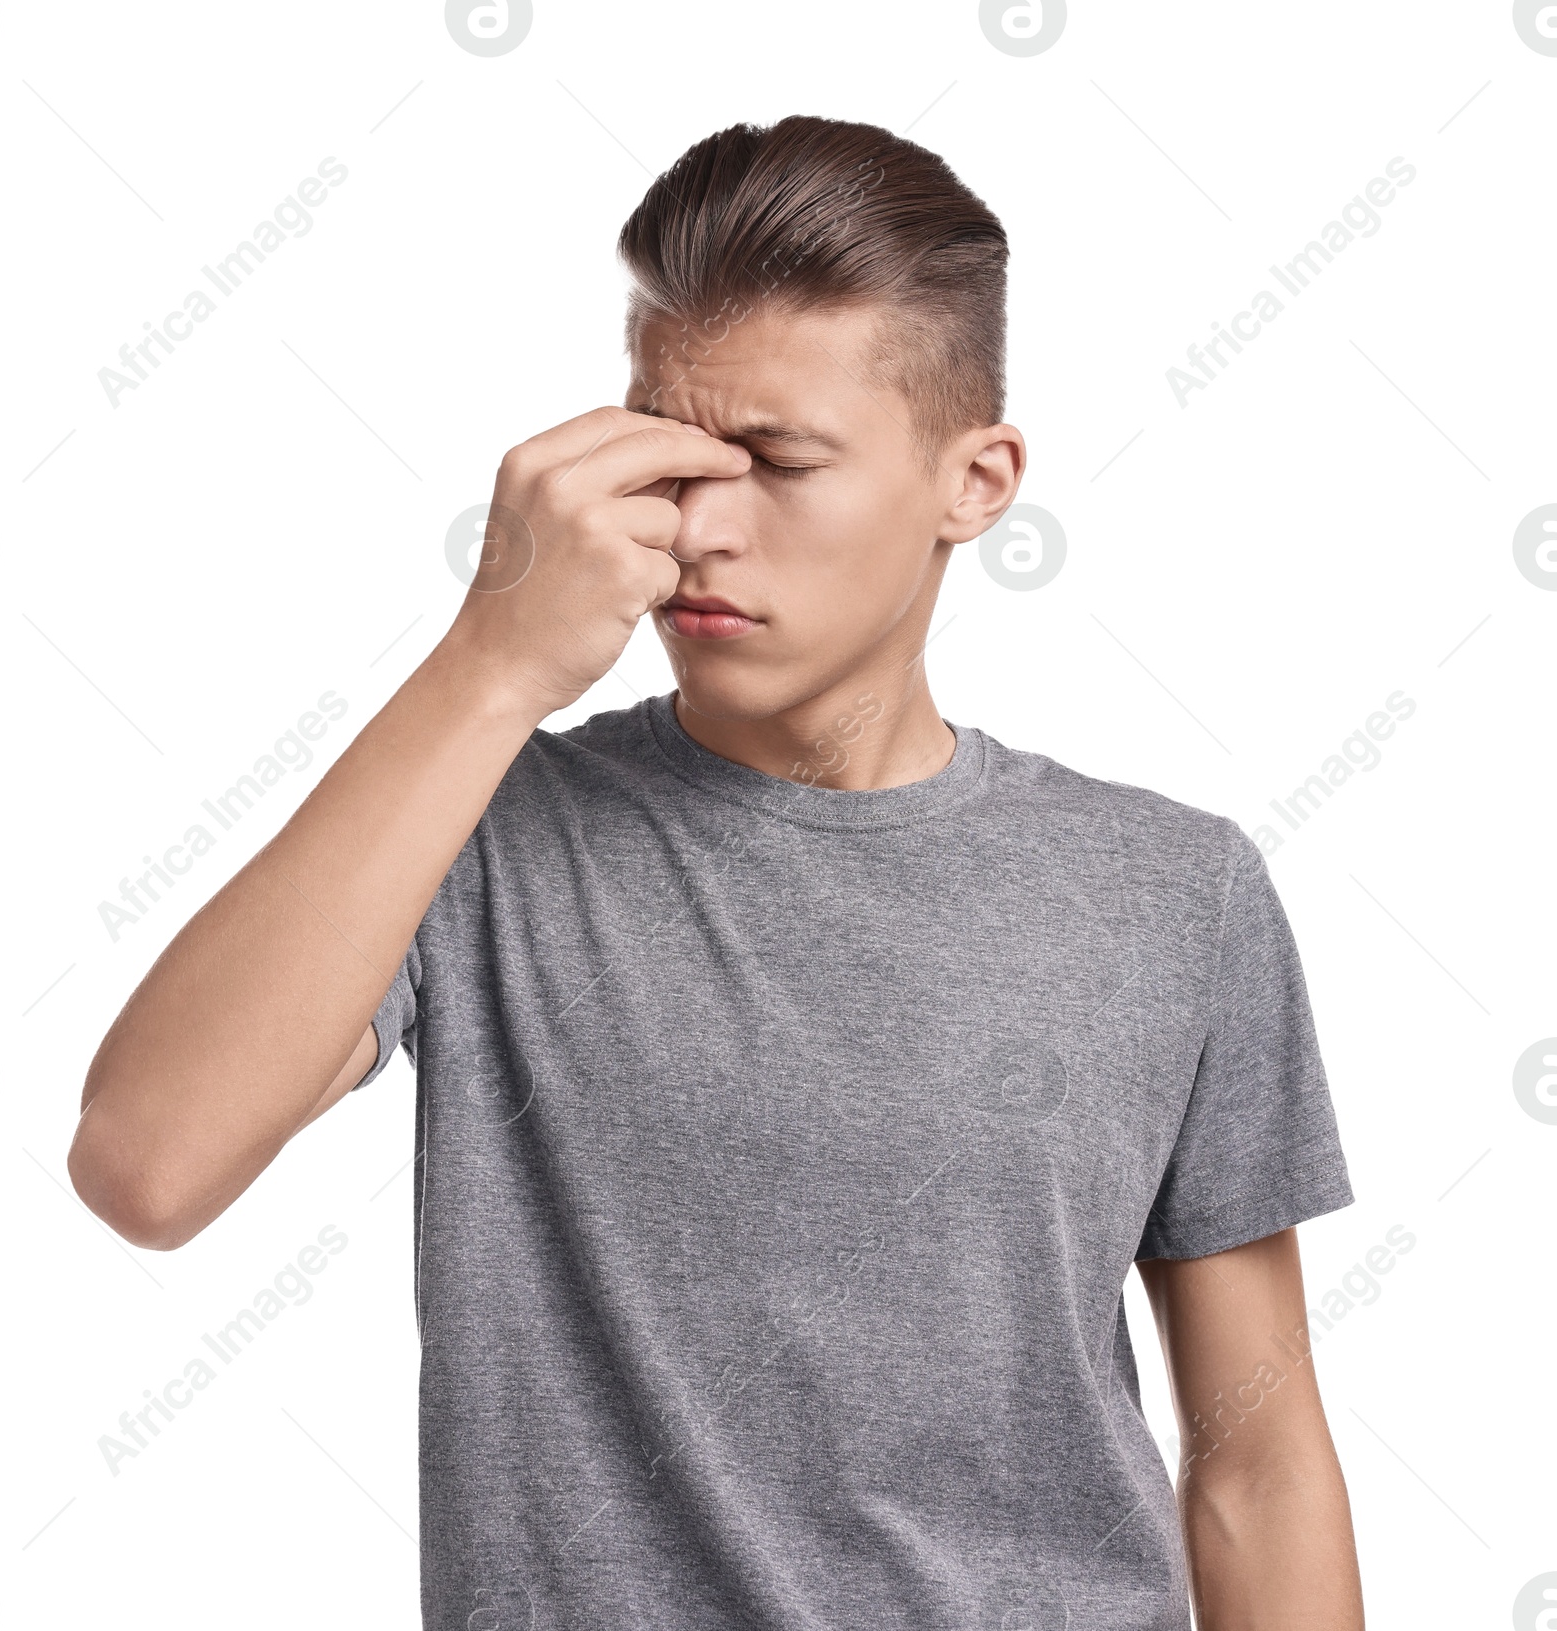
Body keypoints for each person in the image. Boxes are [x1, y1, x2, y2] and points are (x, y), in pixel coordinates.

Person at [70, 115, 1363, 1630]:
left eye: (778, 461)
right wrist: (492, 663)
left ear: (978, 479)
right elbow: (145, 1167)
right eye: (669, 455)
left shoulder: (1171, 892)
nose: (700, 528)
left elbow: (1256, 1463)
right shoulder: (475, 827)